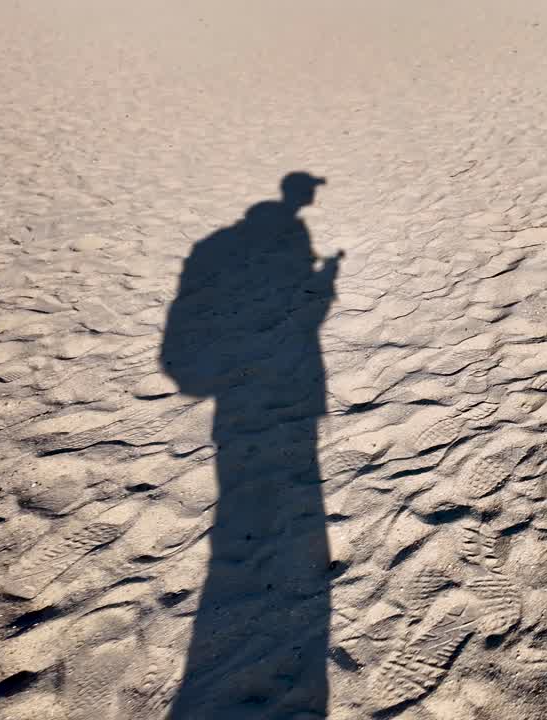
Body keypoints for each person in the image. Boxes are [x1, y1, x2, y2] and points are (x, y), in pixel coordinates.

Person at [160, 171, 340, 719]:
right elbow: (304, 307)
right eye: (308, 191)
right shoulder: (286, 237)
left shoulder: (218, 245)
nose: (310, 198)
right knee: (291, 496)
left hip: (240, 391)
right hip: (284, 385)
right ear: (298, 195)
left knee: (244, 492)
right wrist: (326, 282)